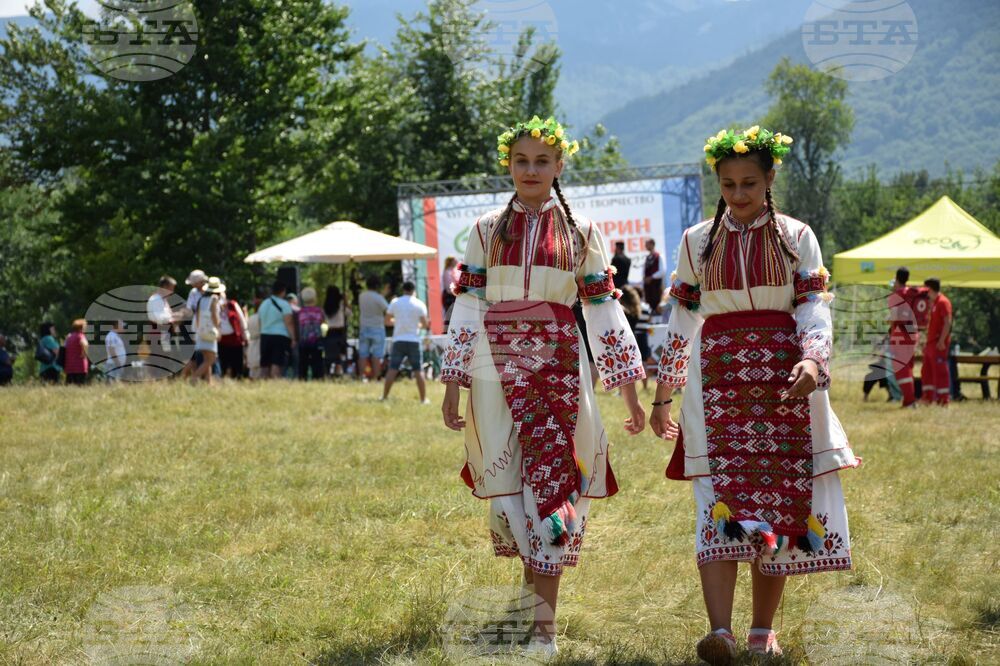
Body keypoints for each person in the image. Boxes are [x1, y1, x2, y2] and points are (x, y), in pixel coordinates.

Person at [650, 126, 860, 663]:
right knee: (716, 500)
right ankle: (719, 632)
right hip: (716, 382)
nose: (739, 194)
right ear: (717, 183)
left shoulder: (796, 236)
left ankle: (762, 632)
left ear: (770, 178)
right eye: (728, 184)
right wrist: (664, 394)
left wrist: (813, 359)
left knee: (780, 496)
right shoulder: (697, 241)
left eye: (749, 182)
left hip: (785, 381)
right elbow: (683, 318)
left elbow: (814, 306)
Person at [441, 116, 646, 658]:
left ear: (559, 167)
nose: (530, 170)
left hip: (558, 363)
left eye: (542, 161)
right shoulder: (486, 229)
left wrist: (627, 387)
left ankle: (544, 631)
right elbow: (467, 305)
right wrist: (453, 382)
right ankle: (534, 609)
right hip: (492, 369)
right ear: (508, 165)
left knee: (554, 479)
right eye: (520, 161)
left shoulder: (581, 233)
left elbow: (602, 309)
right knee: (510, 479)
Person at [381, 281, 429, 402]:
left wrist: (397, 322)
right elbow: (425, 324)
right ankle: (423, 399)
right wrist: (416, 325)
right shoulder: (419, 304)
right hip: (414, 340)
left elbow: (387, 321)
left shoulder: (395, 302)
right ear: (414, 290)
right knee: (418, 370)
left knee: (393, 368)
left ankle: (384, 396)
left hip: (398, 339)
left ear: (403, 289)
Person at [886, 266, 921, 407]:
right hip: (913, 332)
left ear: (896, 277)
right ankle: (910, 398)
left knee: (901, 367)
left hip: (901, 333)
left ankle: (909, 400)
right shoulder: (913, 293)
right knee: (909, 366)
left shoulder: (896, 295)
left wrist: (888, 320)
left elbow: (894, 317)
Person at [920, 277, 953, 406]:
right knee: (926, 371)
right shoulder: (933, 303)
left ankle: (943, 399)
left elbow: (947, 322)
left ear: (930, 289)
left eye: (926, 290)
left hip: (939, 343)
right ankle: (927, 397)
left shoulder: (943, 302)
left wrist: (942, 340)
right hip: (931, 343)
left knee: (940, 371)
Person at [257, 280, 296, 379]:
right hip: (280, 336)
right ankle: (275, 383)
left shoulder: (264, 304)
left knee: (264, 364)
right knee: (276, 362)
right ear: (283, 291)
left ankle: (263, 383)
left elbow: (259, 321)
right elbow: (289, 323)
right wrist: (293, 338)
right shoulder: (284, 304)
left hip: (264, 335)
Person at [191, 277, 223, 385]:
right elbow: (214, 316)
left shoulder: (201, 299)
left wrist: (200, 330)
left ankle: (209, 382)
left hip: (202, 332)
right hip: (210, 332)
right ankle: (194, 377)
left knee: (206, 358)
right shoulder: (214, 299)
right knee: (211, 359)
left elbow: (198, 317)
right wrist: (218, 328)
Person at [357, 276, 389, 381]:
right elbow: (387, 309)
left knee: (363, 354)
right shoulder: (378, 297)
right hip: (377, 328)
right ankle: (376, 377)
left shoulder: (361, 296)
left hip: (364, 327)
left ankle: (362, 376)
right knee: (376, 355)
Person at [218, 288, 249, 379]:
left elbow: (242, 320)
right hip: (221, 341)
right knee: (223, 365)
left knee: (237, 365)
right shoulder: (213, 306)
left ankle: (237, 380)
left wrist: (245, 335)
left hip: (235, 340)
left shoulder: (233, 304)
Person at [147, 275, 181, 353]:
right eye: (171, 288)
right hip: (158, 336)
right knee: (159, 362)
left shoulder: (163, 300)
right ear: (165, 286)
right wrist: (174, 317)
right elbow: (158, 318)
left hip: (164, 335)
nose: (172, 291)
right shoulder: (155, 299)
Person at [297, 287, 326, 380]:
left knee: (303, 363)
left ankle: (303, 378)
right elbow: (322, 322)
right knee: (317, 362)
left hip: (303, 340)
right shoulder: (319, 311)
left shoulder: (300, 312)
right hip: (316, 340)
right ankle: (317, 378)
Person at [323, 286, 348, 378]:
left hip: (330, 331)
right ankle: (338, 371)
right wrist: (346, 301)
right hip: (340, 331)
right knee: (340, 353)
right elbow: (349, 313)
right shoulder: (341, 305)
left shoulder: (326, 306)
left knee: (330, 352)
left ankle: (328, 372)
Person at [642, 238, 666, 314]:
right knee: (649, 304)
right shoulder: (647, 257)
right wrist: (644, 278)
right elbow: (644, 271)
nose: (645, 246)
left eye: (647, 244)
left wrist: (651, 277)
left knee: (657, 304)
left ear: (652, 244)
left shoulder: (659, 256)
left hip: (656, 286)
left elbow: (662, 271)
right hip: (648, 287)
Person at [64, 319, 90, 385]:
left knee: (70, 387)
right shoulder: (80, 336)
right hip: (80, 366)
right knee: (80, 386)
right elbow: (85, 344)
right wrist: (84, 354)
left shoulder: (69, 337)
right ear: (81, 328)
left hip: (69, 366)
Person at [442, 256, 461, 328]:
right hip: (450, 296)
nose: (456, 261)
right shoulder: (447, 272)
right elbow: (449, 287)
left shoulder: (456, 271)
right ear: (450, 262)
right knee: (450, 314)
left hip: (455, 295)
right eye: (454, 260)